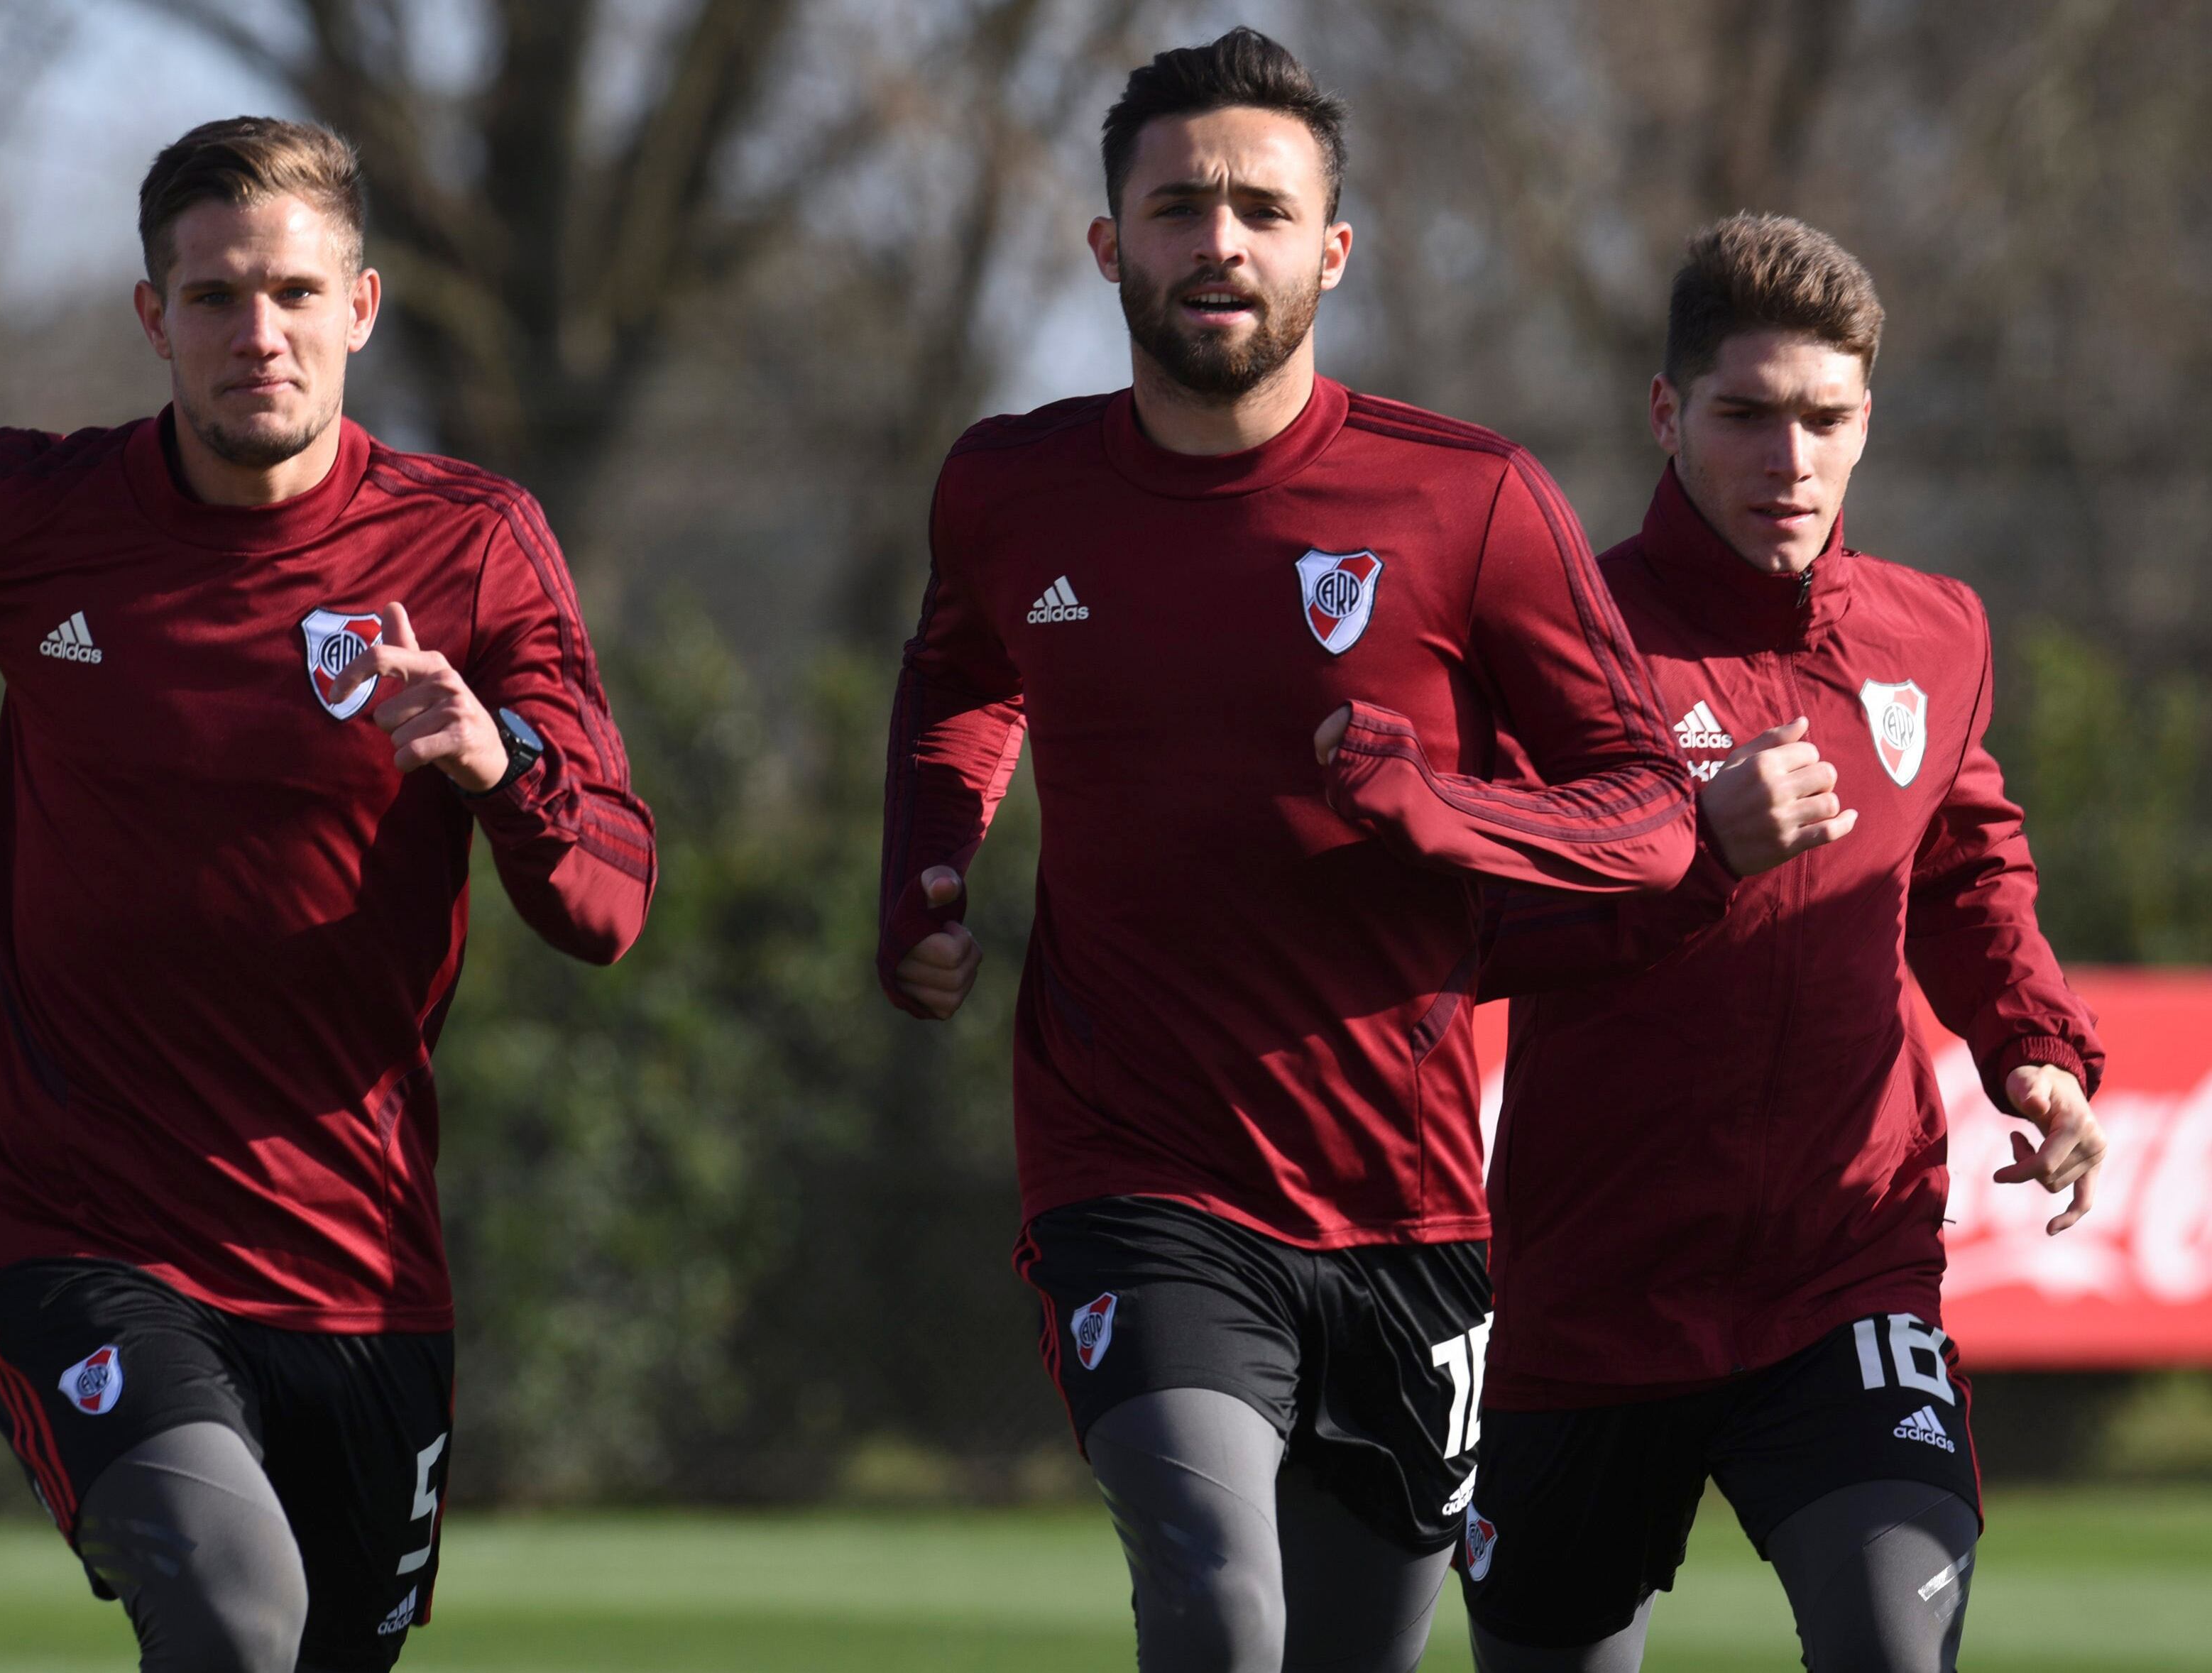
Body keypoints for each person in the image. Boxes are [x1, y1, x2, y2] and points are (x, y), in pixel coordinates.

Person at [0, 117, 654, 1673]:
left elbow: (610, 903)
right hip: (83, 1236)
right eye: (214, 296)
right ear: (154, 317)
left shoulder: (472, 547)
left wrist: (499, 764)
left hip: (360, 1272)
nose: (255, 333)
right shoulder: (29, 515)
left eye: (294, 292)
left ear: (362, 306)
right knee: (229, 1613)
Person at [878, 30, 1699, 1673]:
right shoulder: (1009, 487)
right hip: (1135, 1178)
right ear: (1107, 245)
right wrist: (926, 865)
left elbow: (1653, 813)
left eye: (1261, 209)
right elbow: (961, 676)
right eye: (1178, 208)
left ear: (1331, 249)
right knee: (1214, 1598)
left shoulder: (1469, 499)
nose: (1219, 242)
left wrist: (1442, 809)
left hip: (1405, 1206)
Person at [1457, 214, 2107, 1673]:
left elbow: (1967, 867)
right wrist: (1695, 845)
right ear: (1666, 412)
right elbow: (1474, 924)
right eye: (1746, 415)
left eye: (1825, 418)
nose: (1789, 459)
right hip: (1596, 1292)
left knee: (1892, 1642)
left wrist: (2037, 1052)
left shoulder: (1934, 637)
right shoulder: (1560, 642)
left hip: (1844, 1270)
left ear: (1867, 420)